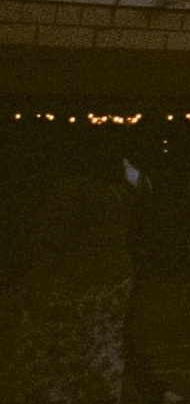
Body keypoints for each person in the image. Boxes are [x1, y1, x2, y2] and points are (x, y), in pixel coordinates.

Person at [5, 146, 134, 404]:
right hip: (108, 281)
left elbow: (47, 242)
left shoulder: (72, 193)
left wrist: (35, 283)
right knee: (98, 348)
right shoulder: (112, 193)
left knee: (57, 351)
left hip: (79, 283)